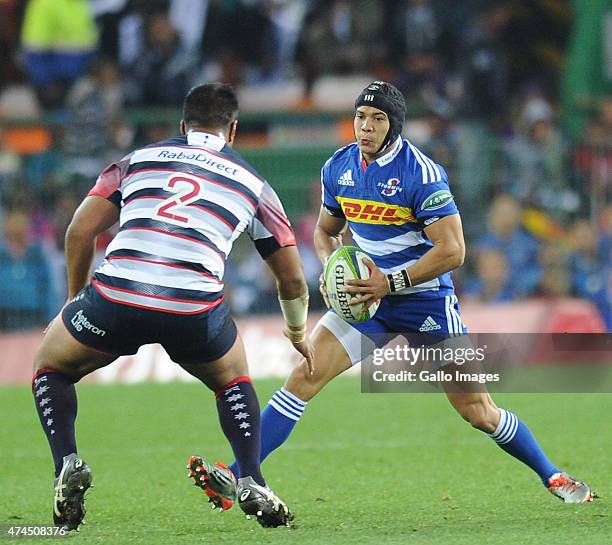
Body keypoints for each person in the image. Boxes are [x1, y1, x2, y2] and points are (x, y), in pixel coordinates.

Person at [227, 81, 594, 505]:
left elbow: (453, 250)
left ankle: (551, 475)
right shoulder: (338, 168)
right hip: (368, 301)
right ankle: (239, 478)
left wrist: (391, 281)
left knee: (478, 411)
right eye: (361, 117)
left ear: (394, 124)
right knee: (303, 377)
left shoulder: (421, 174)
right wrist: (332, 267)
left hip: (426, 303)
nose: (365, 127)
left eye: (377, 119)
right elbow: (327, 233)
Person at [32, 82, 313, 531]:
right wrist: (297, 331)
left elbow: (78, 232)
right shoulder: (256, 185)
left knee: (51, 364)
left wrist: (74, 303)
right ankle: (253, 478)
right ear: (233, 130)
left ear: (182, 126)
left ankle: (66, 461)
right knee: (233, 379)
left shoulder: (136, 160)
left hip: (116, 298)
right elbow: (294, 278)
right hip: (193, 308)